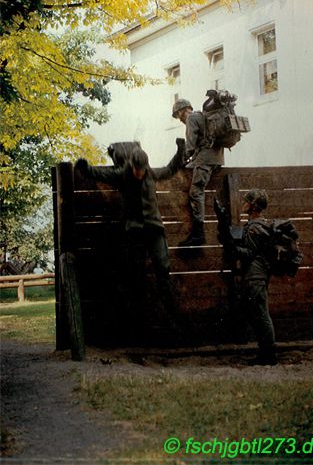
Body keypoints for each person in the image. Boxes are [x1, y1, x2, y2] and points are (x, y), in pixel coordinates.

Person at [75, 139, 185, 328]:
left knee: (163, 270)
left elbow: (171, 168)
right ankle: (136, 322)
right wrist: (85, 168)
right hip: (134, 232)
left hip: (154, 230)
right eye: (136, 169)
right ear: (131, 165)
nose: (139, 173)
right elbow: (102, 174)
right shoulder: (123, 175)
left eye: (141, 170)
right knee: (134, 274)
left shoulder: (150, 174)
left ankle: (175, 319)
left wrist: (180, 149)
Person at [217, 189, 277, 365]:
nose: (243, 203)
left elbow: (249, 253)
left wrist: (234, 250)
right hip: (255, 275)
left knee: (261, 314)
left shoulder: (254, 228)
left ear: (253, 206)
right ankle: (265, 353)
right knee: (256, 314)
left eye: (247, 201)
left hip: (255, 276)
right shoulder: (258, 225)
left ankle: (269, 355)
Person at [172, 98, 224, 246]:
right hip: (216, 159)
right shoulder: (202, 116)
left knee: (196, 192)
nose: (179, 119)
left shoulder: (191, 118)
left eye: (177, 115)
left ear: (182, 111)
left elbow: (190, 145)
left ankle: (199, 233)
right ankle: (197, 232)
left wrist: (182, 159)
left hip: (206, 160)